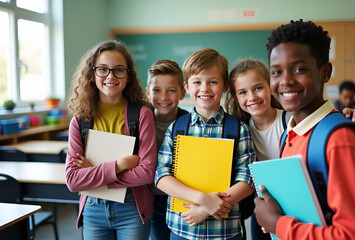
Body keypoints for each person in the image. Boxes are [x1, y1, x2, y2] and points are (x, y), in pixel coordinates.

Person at [224, 59, 355, 240]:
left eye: (258, 88)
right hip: (264, 206)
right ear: (236, 97)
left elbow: (325, 126)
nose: (252, 97)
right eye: (243, 92)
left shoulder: (292, 121)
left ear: (271, 87)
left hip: (297, 205)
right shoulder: (241, 129)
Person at [253, 19, 355, 239]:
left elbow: (354, 235)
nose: (286, 81)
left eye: (299, 69)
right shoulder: (289, 134)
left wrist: (278, 224)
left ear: (325, 72)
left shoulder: (338, 140)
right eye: (276, 72)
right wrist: (275, 220)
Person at [155, 48, 256, 240]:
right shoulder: (176, 128)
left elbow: (247, 179)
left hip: (225, 231)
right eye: (197, 82)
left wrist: (207, 209)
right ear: (186, 87)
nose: (205, 89)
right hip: (182, 228)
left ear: (225, 85)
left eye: (213, 82)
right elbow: (161, 175)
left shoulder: (238, 129)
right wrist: (202, 200)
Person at [65, 40, 157, 240]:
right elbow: (72, 181)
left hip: (132, 207)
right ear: (92, 74)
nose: (111, 76)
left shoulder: (142, 114)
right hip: (92, 208)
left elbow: (147, 173)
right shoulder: (79, 121)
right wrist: (120, 165)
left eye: (118, 70)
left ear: (128, 76)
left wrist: (93, 177)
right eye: (103, 69)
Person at [145, 59, 188, 240]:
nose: (163, 97)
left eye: (171, 90)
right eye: (156, 90)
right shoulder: (140, 121)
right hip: (152, 198)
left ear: (182, 93)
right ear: (148, 93)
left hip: (182, 198)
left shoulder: (190, 123)